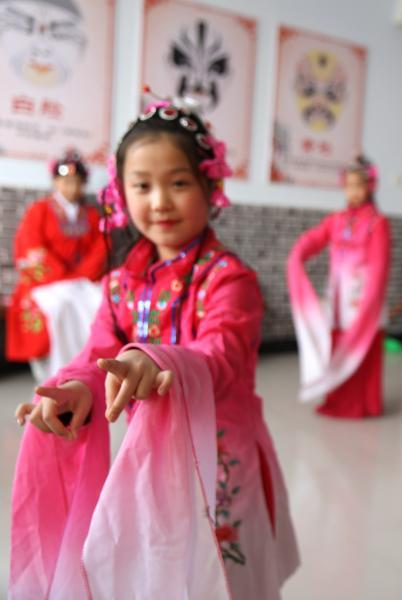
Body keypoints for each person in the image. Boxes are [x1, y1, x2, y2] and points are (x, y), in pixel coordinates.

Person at [11, 97, 299, 599]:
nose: (160, 201)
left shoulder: (230, 280)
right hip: (149, 463)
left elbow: (222, 358)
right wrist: (76, 390)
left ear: (211, 187)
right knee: (159, 569)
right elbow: (96, 356)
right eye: (142, 185)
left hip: (223, 461)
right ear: (121, 196)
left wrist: (155, 359)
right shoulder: (120, 284)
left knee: (226, 579)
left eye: (179, 182)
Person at [287, 155, 391, 418]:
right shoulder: (336, 220)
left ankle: (362, 405)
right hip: (338, 301)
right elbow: (314, 239)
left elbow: (379, 269)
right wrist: (297, 254)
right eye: (349, 185)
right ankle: (337, 400)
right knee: (338, 349)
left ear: (370, 186)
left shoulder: (378, 224)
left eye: (359, 185)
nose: (353, 191)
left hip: (364, 302)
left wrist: (370, 304)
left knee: (362, 352)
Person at [6, 150, 106, 381]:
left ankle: (92, 367)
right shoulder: (39, 211)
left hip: (82, 280)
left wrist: (82, 274)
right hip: (47, 282)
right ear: (56, 182)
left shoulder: (91, 215)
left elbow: (101, 247)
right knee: (58, 307)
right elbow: (31, 246)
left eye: (76, 181)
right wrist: (63, 275)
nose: (71, 186)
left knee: (100, 301)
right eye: (65, 181)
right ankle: (58, 371)